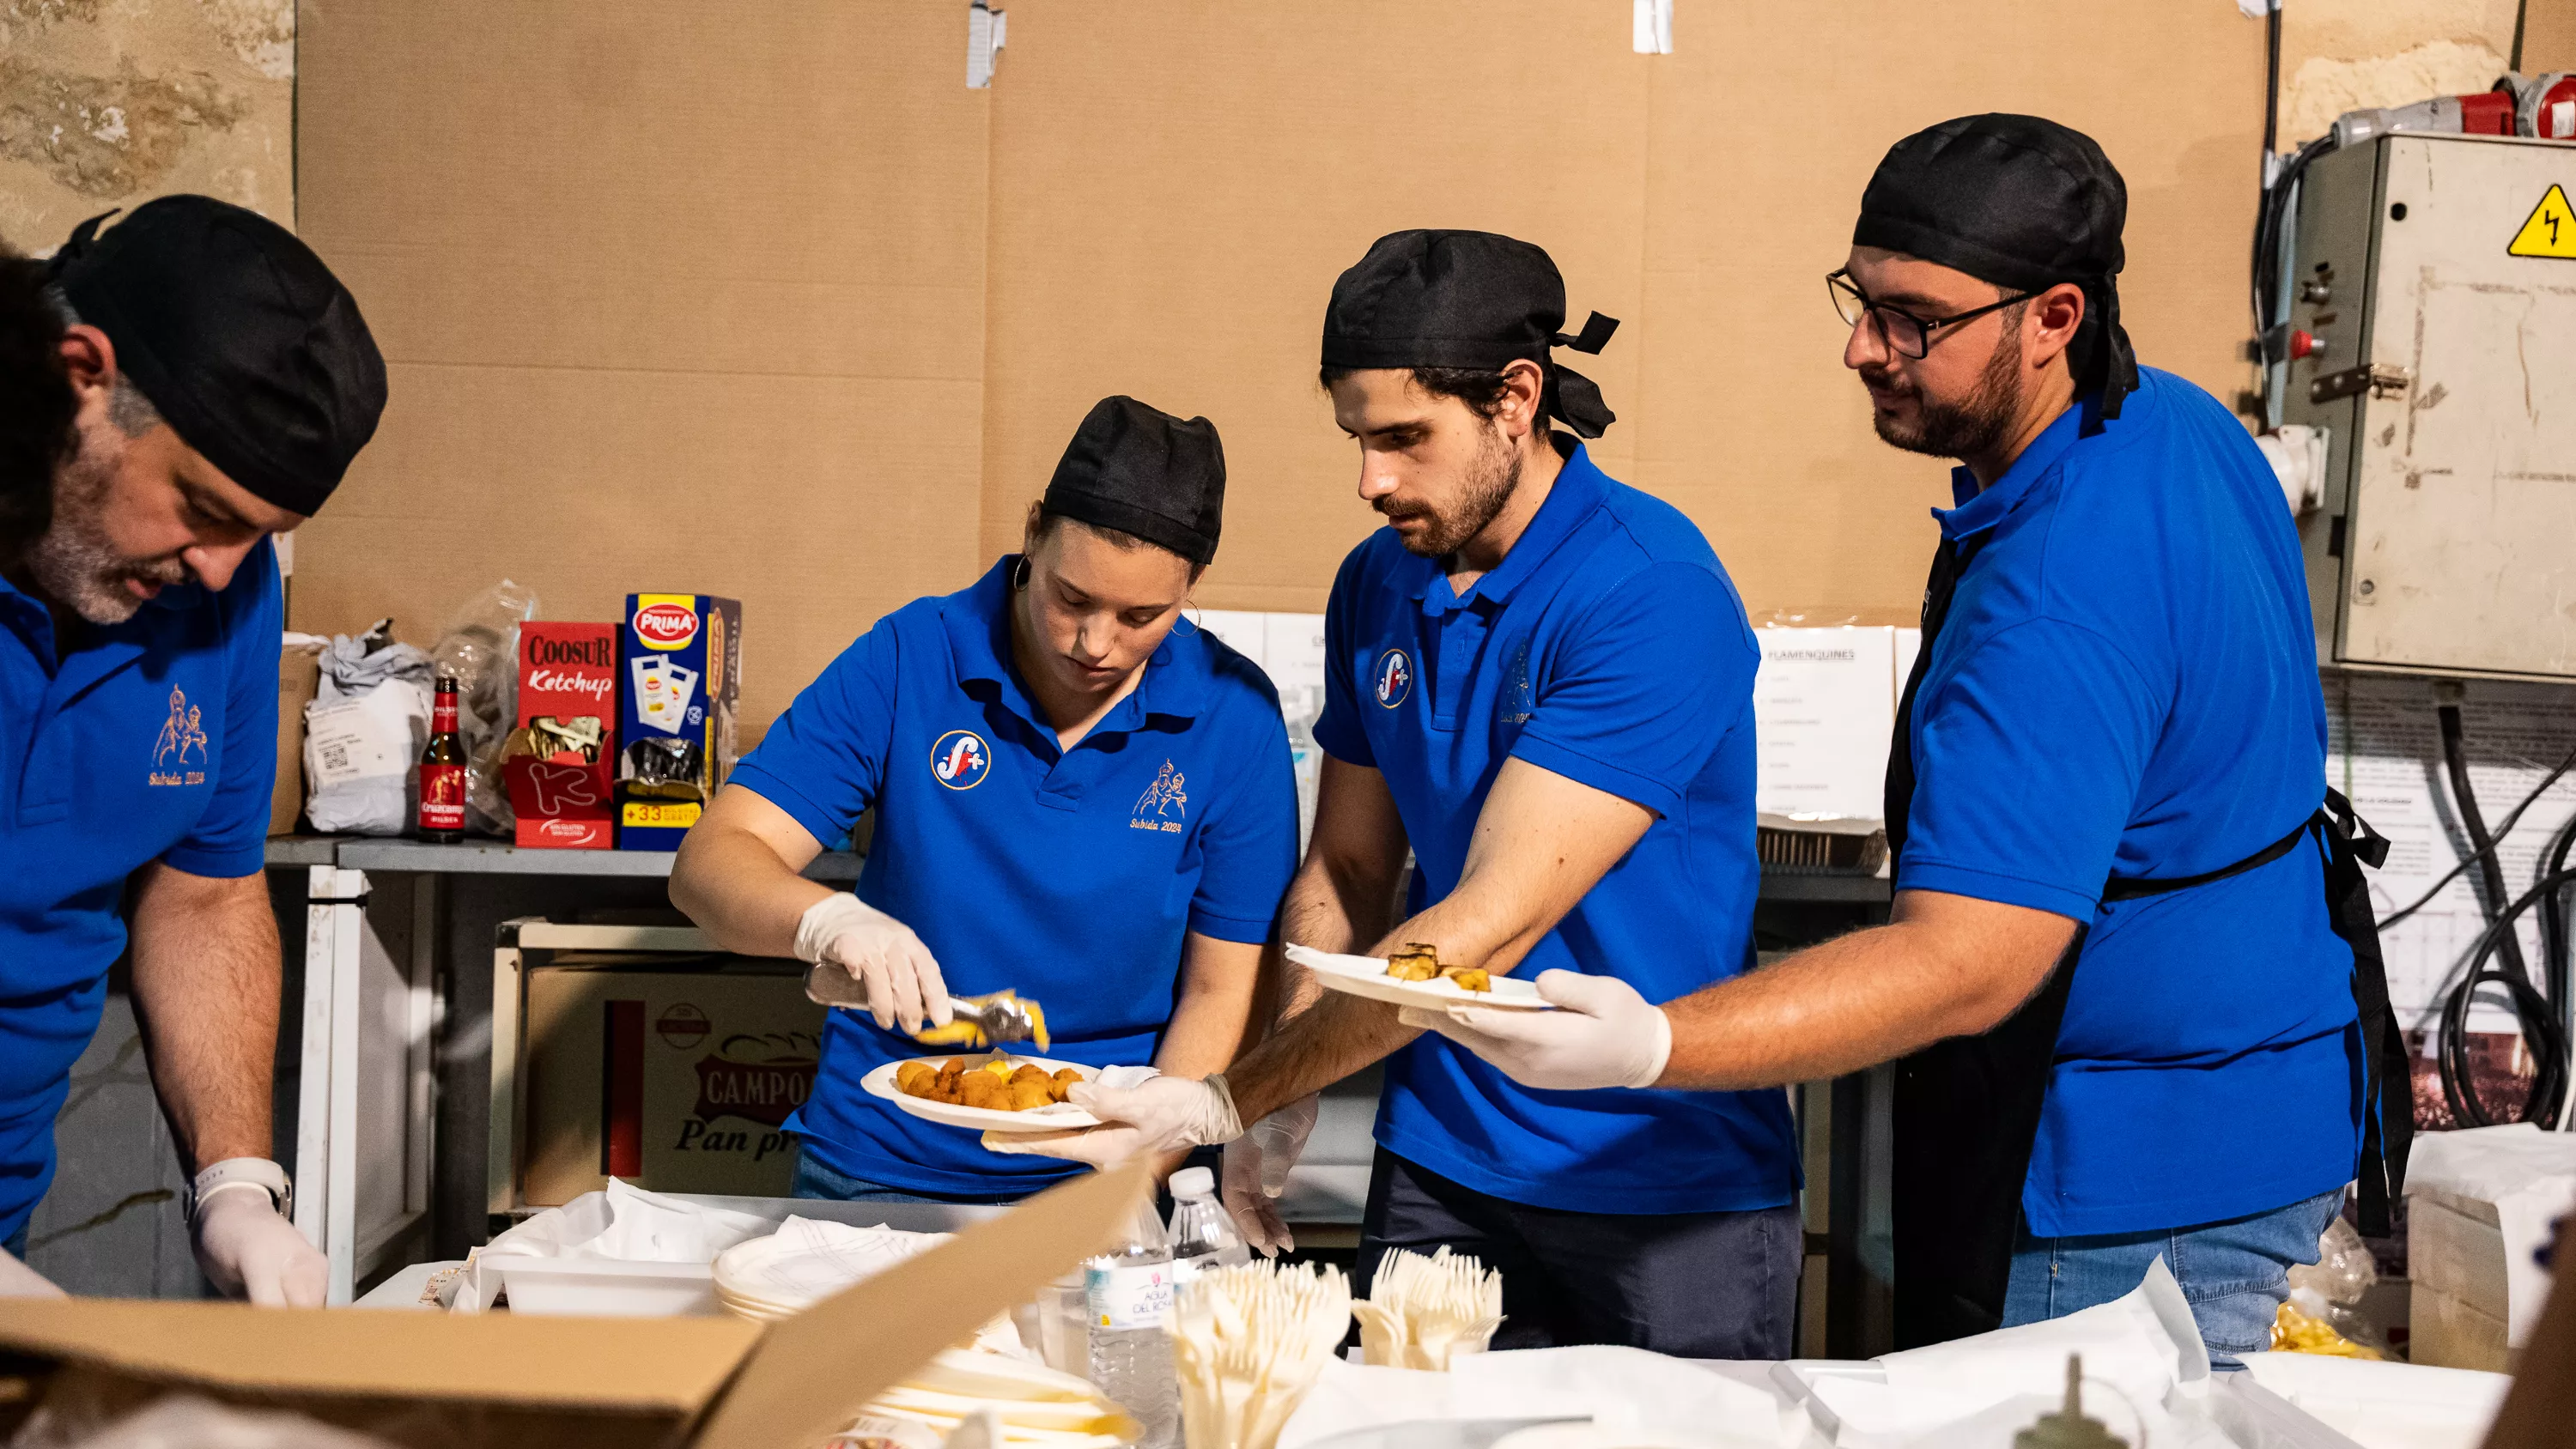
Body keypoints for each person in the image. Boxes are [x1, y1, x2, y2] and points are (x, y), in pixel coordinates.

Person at [1403, 115, 2409, 1356]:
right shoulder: (2174, 424)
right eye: (1861, 299)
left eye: (1912, 320)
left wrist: (1655, 1042)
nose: (1862, 348)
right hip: (2268, 1098)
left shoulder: (2056, 598)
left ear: (2053, 317)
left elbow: (1967, 957)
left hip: (2132, 1182)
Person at [994, 231, 1802, 1359]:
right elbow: (1351, 869)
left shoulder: (1647, 590)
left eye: (1404, 439)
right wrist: (1284, 1092)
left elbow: (1481, 928)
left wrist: (1226, 1095)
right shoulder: (1378, 581)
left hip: (1659, 1179)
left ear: (1518, 400)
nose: (1369, 479)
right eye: (1357, 438)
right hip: (1442, 1167)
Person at [668, 397, 1298, 1203]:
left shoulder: (1232, 715)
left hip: (1108, 1164)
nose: (1095, 643)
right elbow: (711, 864)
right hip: (880, 1162)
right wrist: (824, 920)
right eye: (1072, 598)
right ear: (1034, 533)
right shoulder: (912, 656)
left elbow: (1224, 988)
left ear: (1193, 584)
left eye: (1143, 616)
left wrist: (1140, 1166)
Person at [0, 197, 388, 1305]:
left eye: (257, 535)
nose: (224, 573)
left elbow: (205, 896)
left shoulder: (218, 589)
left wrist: (237, 1187)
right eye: (203, 508)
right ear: (80, 376)